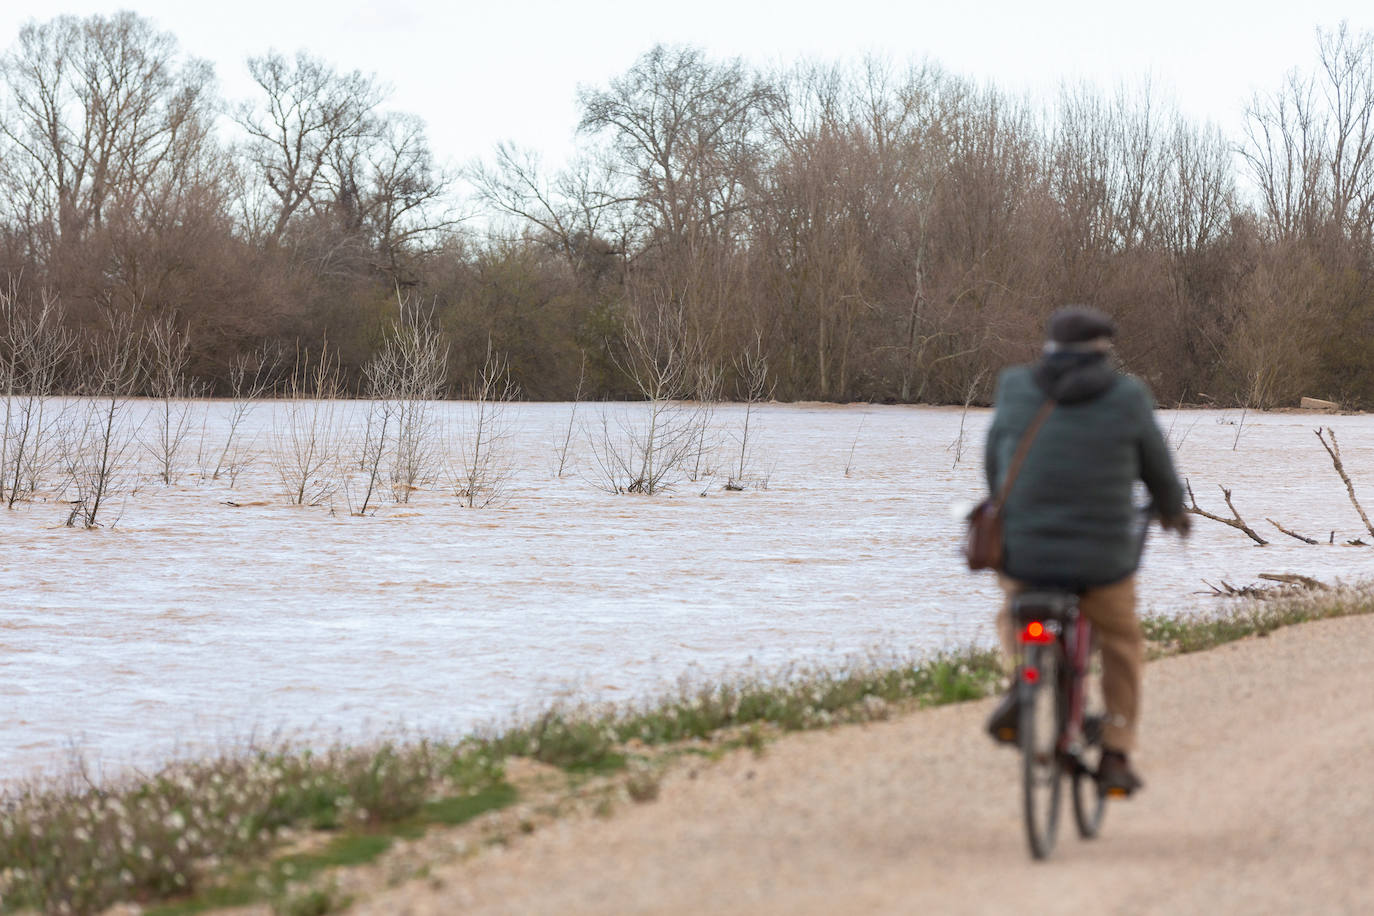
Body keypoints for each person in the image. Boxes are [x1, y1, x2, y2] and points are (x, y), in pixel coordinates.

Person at [981, 305, 1189, 795]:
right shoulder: (1128, 395)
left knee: (1014, 608)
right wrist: (1171, 511)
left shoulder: (1013, 386)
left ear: (1049, 345)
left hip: (1025, 553)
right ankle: (1115, 751)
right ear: (1104, 350)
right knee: (1121, 640)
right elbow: (1158, 469)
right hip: (1103, 558)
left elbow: (994, 467)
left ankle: (1021, 683)